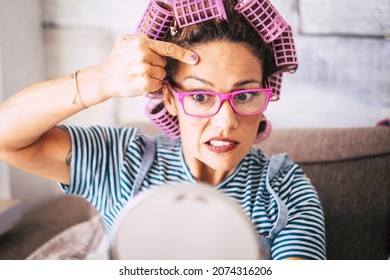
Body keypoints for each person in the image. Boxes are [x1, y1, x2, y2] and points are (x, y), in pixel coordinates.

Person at [0, 0, 326, 260]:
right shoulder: (124, 162)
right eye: (200, 96)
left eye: (244, 94)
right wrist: (102, 79)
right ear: (169, 98)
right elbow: (7, 139)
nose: (226, 121)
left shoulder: (282, 188)